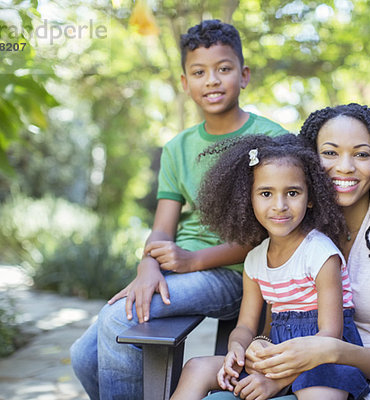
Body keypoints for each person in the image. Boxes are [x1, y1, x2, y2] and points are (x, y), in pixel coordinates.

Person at [69, 20, 287, 400]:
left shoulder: (272, 139)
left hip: (238, 274)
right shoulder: (176, 148)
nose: (213, 80)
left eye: (224, 68)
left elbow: (274, 232)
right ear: (185, 83)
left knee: (119, 319)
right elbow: (162, 228)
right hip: (180, 267)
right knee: (83, 355)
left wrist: (193, 260)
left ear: (244, 75)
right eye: (199, 72)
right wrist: (147, 266)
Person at [205, 103, 370, 400]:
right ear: (309, 162)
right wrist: (260, 345)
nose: (345, 166)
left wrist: (329, 350)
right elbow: (275, 320)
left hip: (369, 386)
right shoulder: (294, 225)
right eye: (330, 152)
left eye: (362, 154)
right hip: (289, 371)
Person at [170, 134, 370, 400]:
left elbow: (329, 336)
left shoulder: (321, 254)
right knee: (197, 367)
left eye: (292, 193)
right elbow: (245, 327)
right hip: (276, 355)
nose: (280, 205)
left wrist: (276, 381)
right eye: (266, 193)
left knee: (320, 393)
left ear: (310, 197)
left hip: (323, 358)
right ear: (247, 199)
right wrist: (238, 350)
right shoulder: (254, 260)